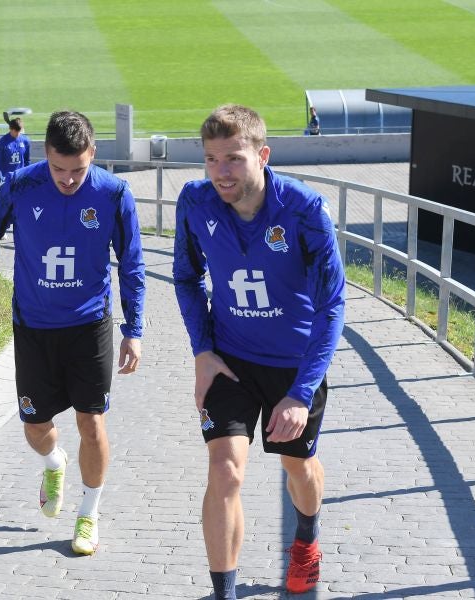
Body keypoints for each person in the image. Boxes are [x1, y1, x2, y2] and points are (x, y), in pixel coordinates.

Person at [172, 104, 344, 598]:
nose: (221, 172)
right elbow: (186, 278)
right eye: (211, 159)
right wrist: (202, 351)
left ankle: (306, 538)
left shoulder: (304, 210)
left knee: (298, 467)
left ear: (263, 155)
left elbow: (332, 305)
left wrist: (301, 393)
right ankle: (223, 592)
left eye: (233, 158)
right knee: (224, 470)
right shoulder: (195, 201)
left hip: (293, 365)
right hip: (230, 361)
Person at [0, 110, 145, 556]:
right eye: (58, 168)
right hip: (34, 327)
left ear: (93, 155)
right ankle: (54, 462)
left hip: (89, 326)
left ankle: (88, 514)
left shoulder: (114, 193)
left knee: (91, 422)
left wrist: (134, 329)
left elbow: (132, 265)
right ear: (44, 153)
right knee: (36, 426)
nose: (67, 179)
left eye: (78, 170)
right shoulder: (19, 187)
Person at [0, 117, 31, 184]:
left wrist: (27, 175)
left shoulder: (25, 141)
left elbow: (27, 160)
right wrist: (0, 180)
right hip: (7, 180)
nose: (17, 134)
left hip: (21, 178)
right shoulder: (2, 142)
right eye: (15, 131)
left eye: (19, 131)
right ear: (10, 129)